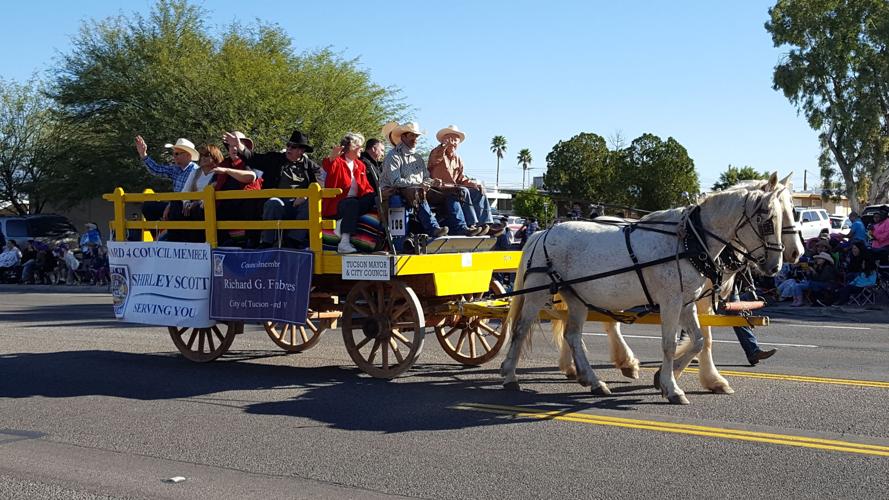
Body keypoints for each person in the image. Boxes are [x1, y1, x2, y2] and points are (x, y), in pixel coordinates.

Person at [224, 129, 321, 248]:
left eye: (293, 146)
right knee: (273, 203)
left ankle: (293, 241)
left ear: (301, 150)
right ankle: (267, 242)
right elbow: (253, 158)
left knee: (312, 203)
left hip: (298, 204)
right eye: (288, 145)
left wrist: (305, 196)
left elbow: (320, 183)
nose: (289, 148)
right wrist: (238, 145)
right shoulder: (274, 159)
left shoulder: (310, 166)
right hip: (279, 202)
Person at [427, 125, 502, 236]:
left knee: (478, 191)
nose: (453, 142)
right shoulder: (437, 153)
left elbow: (461, 178)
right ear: (443, 140)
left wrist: (474, 184)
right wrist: (443, 146)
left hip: (454, 189)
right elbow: (435, 158)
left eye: (455, 140)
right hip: (437, 190)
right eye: (450, 139)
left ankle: (485, 225)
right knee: (463, 191)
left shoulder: (458, 159)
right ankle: (470, 225)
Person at [379, 122, 448, 238]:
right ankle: (433, 228)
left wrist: (431, 182)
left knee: (453, 193)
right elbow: (395, 182)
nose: (415, 139)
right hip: (394, 191)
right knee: (418, 192)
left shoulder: (418, 158)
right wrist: (419, 184)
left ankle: (462, 228)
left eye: (417, 136)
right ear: (403, 137)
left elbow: (426, 177)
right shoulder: (393, 156)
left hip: (416, 191)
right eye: (412, 135)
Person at [323, 133, 377, 254]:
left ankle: (341, 223)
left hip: (355, 202)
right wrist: (332, 157)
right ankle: (344, 242)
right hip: (338, 203)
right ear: (351, 147)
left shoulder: (360, 165)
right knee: (352, 203)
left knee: (373, 197)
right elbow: (328, 165)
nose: (362, 149)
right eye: (359, 146)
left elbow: (366, 188)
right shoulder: (338, 161)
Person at [134, 136, 199, 221]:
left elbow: (185, 195)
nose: (174, 156)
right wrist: (143, 154)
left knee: (176, 207)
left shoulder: (195, 170)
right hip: (175, 205)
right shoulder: (176, 169)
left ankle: (167, 229)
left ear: (188, 155)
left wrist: (170, 206)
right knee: (148, 206)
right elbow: (157, 169)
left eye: (177, 154)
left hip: (187, 208)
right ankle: (159, 231)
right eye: (173, 153)